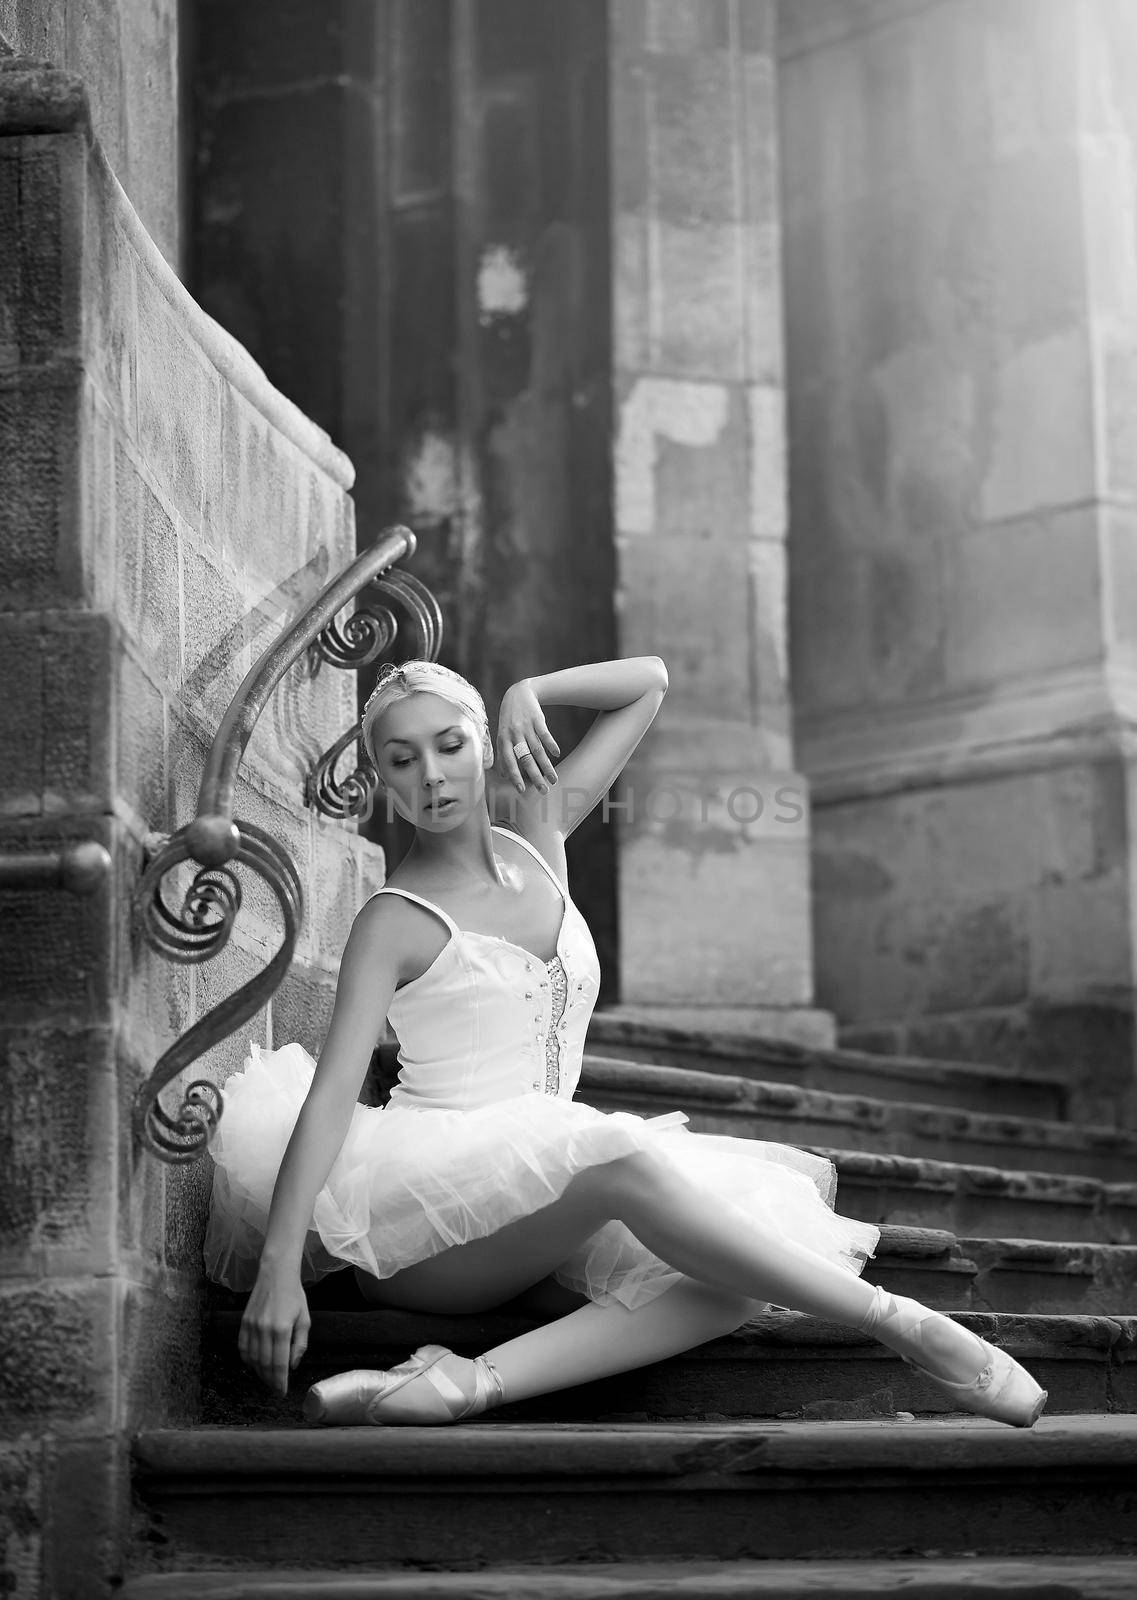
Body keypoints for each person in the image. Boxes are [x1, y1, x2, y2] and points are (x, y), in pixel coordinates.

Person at [203, 656, 1047, 1429]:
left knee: (732, 1275)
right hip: (428, 1222)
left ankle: (461, 1384)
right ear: (381, 779)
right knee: (617, 1158)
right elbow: (330, 1099)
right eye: (400, 759)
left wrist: (527, 692)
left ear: (485, 748)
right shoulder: (394, 920)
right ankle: (912, 1329)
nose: (430, 775)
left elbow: (647, 684)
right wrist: (279, 1266)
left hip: (544, 1191)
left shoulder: (537, 837)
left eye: (449, 744)